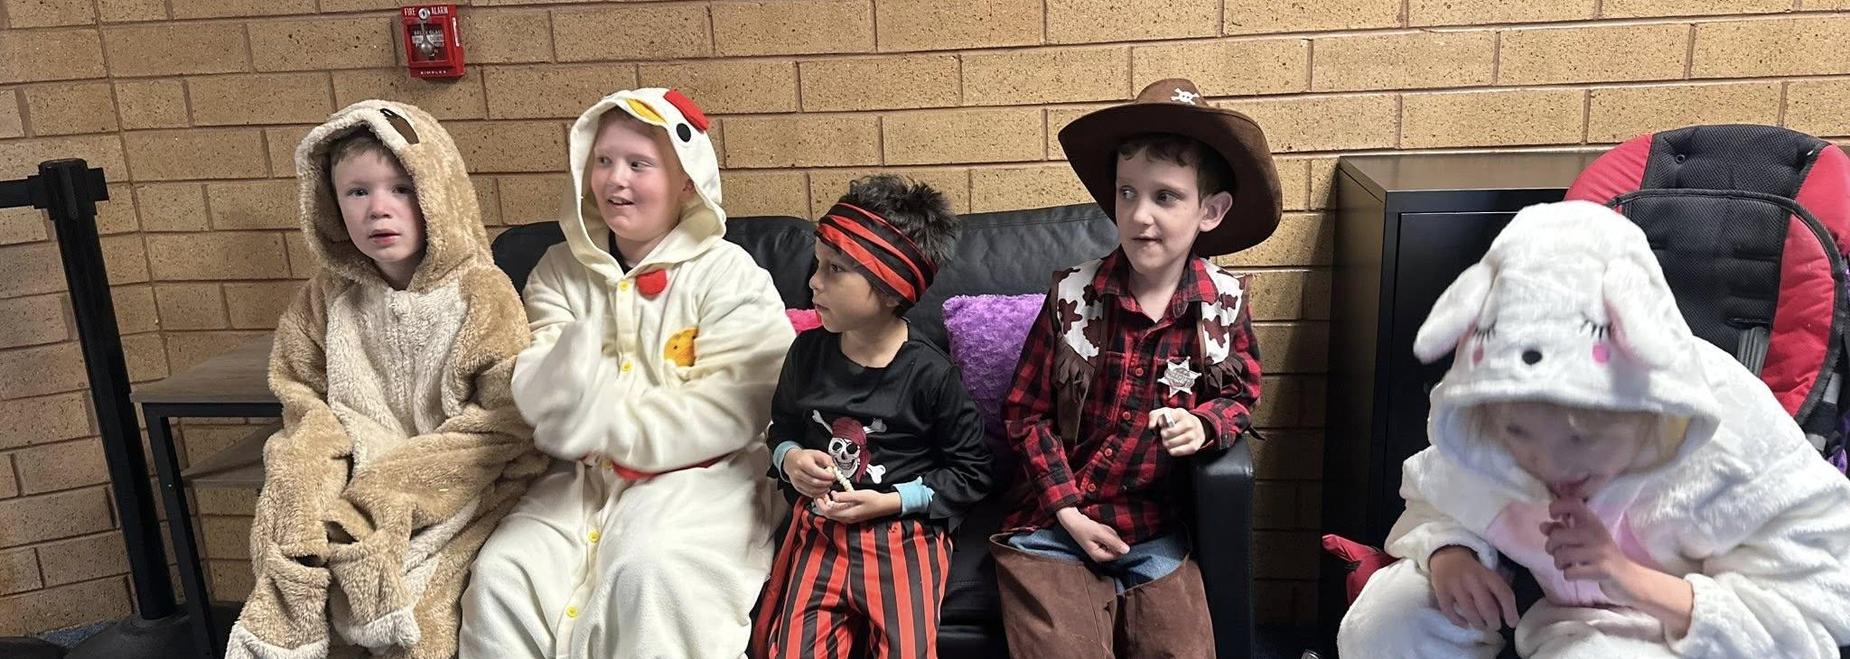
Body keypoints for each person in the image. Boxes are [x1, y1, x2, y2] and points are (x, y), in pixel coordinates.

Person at [1337, 200, 1850, 658]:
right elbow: (1440, 490)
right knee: (1389, 622)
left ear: (1644, 415)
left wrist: (1629, 580)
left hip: (1671, 621)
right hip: (1557, 608)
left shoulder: (1733, 439)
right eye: (1518, 436)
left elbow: (1812, 619)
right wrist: (1450, 550)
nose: (1549, 466)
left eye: (1581, 439)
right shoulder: (1495, 407)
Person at [229, 100, 544, 659]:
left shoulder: (482, 294)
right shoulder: (324, 300)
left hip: (461, 487)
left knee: (422, 615)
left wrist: (381, 499)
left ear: (436, 191)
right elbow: (307, 408)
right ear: (329, 205)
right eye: (357, 192)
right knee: (296, 556)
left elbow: (502, 421)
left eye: (400, 189)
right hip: (352, 476)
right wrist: (309, 493)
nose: (379, 209)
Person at [992, 77, 1281, 658]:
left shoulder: (1221, 307)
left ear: (1211, 210)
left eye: (1166, 196)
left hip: (1152, 530)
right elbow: (1026, 414)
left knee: (1183, 648)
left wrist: (1205, 424)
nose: (1140, 215)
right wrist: (1068, 512)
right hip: (1054, 522)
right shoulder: (1073, 298)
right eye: (1127, 193)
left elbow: (1240, 396)